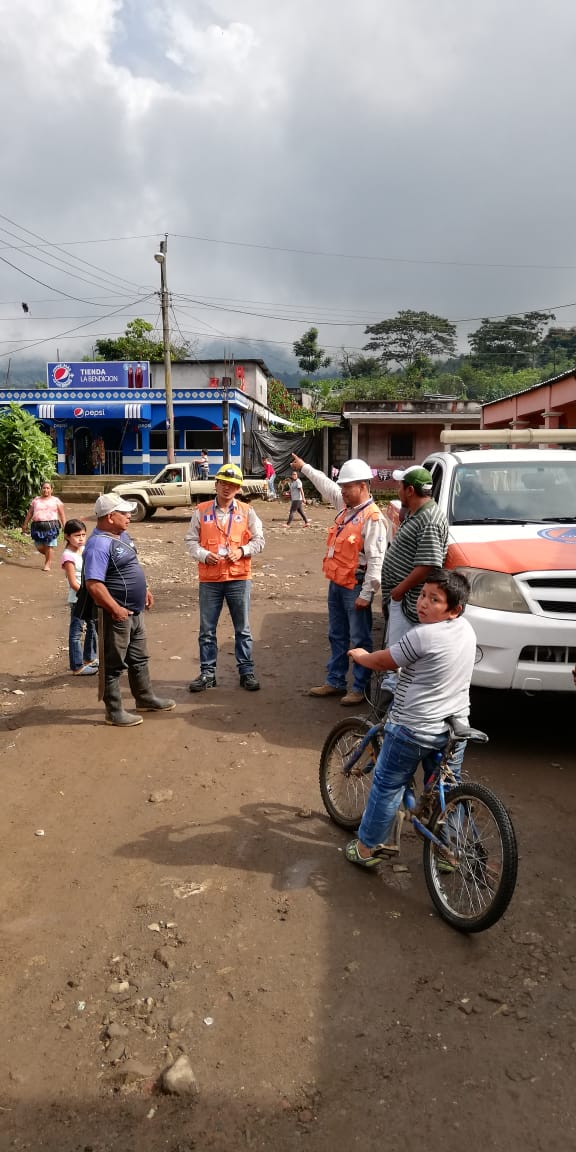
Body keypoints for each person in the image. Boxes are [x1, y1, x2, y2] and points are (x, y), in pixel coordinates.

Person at [345, 569, 476, 867]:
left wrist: (363, 656)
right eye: (423, 595)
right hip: (454, 727)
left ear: (454, 609)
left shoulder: (422, 635)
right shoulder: (466, 629)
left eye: (435, 600)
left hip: (414, 728)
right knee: (447, 789)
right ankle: (449, 851)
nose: (423, 603)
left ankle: (368, 849)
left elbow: (385, 660)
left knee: (387, 784)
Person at [291, 455, 386, 707]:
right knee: (337, 635)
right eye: (342, 487)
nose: (342, 491)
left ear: (362, 486)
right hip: (337, 583)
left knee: (360, 639)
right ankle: (335, 681)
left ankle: (359, 687)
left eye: (347, 487)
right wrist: (305, 467)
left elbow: (376, 560)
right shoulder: (346, 509)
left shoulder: (372, 518)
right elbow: (326, 485)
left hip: (355, 587)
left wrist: (366, 594)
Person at [83, 493, 176, 727]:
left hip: (134, 611)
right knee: (113, 664)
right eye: (124, 513)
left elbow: (131, 565)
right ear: (109, 516)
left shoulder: (121, 535)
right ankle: (113, 711)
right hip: (116, 615)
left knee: (139, 658)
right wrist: (115, 608)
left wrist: (145, 589)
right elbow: (93, 584)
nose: (129, 516)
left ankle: (145, 698)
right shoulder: (98, 545)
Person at [185, 463, 265, 692]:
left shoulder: (247, 512)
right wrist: (202, 554)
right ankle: (207, 674)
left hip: (239, 578)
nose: (227, 488)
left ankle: (246, 672)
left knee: (243, 629)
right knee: (207, 630)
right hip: (210, 580)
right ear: (216, 485)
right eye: (223, 483)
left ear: (239, 488)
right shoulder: (201, 511)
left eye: (233, 485)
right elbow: (190, 540)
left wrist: (241, 551)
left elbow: (259, 540)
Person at [380, 466, 449, 693]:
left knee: (399, 659)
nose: (397, 490)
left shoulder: (428, 518)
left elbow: (428, 564)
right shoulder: (417, 513)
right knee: (396, 654)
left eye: (400, 486)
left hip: (409, 602)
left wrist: (399, 590)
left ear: (409, 490)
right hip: (403, 599)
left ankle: (392, 708)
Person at [61, 518, 98, 676]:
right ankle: (77, 666)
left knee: (92, 626)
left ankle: (89, 658)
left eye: (83, 534)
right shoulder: (68, 556)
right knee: (76, 632)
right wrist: (88, 594)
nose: (81, 538)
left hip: (89, 596)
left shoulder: (84, 550)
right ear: (67, 536)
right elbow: (73, 582)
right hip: (78, 599)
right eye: (77, 535)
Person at [22, 481, 66, 572]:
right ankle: (49, 555)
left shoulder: (56, 501)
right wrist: (25, 524)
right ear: (41, 489)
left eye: (48, 488)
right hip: (37, 526)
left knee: (49, 545)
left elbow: (62, 515)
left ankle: (47, 564)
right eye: (44, 488)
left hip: (52, 526)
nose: (46, 490)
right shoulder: (36, 500)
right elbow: (30, 513)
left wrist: (65, 525)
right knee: (39, 546)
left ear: (51, 490)